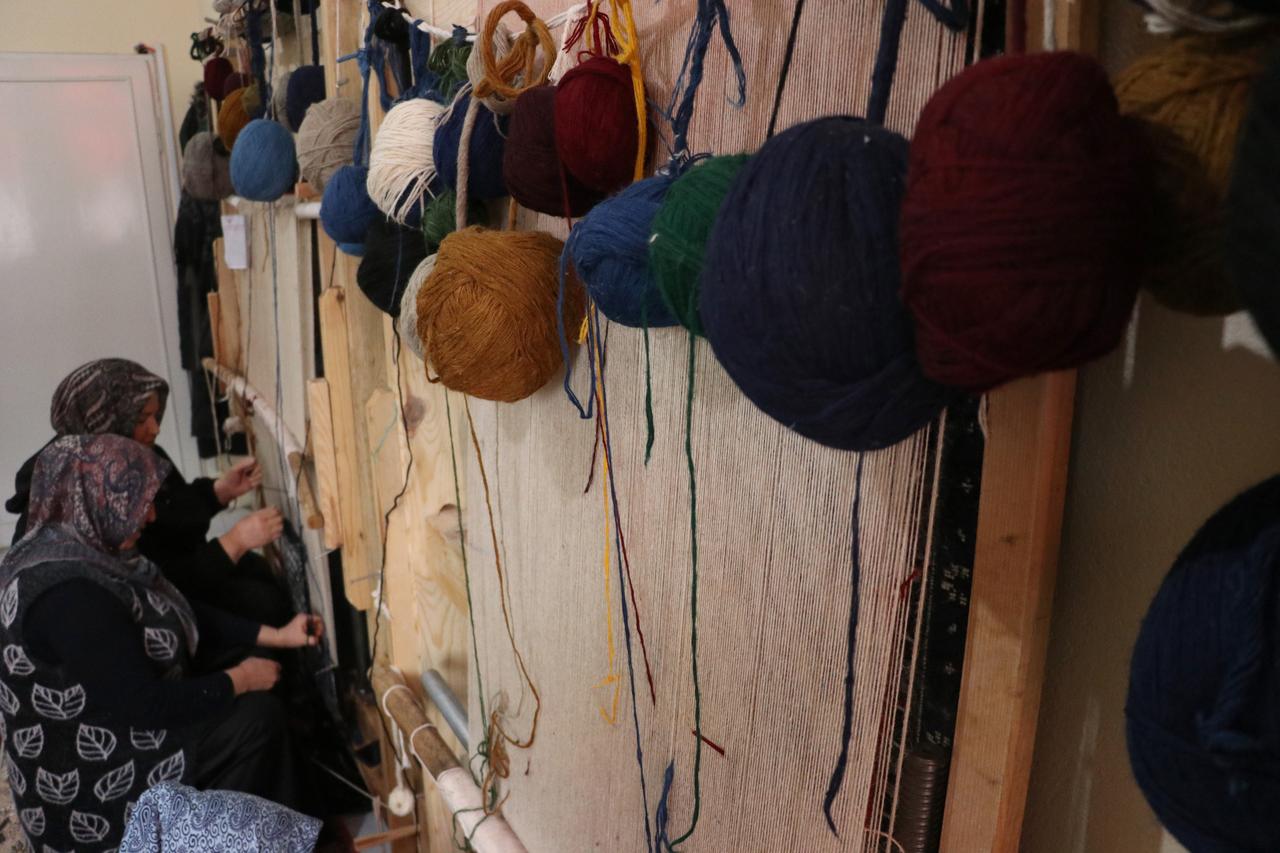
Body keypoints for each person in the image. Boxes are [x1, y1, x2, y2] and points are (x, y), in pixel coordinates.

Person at [0, 434, 323, 852]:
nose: (150, 515)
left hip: (113, 719)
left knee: (250, 675)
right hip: (90, 788)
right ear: (95, 499)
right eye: (138, 502)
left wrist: (277, 636)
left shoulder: (81, 549)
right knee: (256, 723)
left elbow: (170, 608)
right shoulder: (67, 595)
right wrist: (239, 680)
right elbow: (144, 706)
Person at [6, 358, 291, 626]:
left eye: (156, 415)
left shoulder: (137, 456)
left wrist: (217, 492)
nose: (155, 428)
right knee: (264, 604)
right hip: (142, 612)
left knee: (257, 572)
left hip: (176, 576)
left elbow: (170, 514)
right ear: (106, 421)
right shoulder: (86, 493)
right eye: (143, 418)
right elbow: (152, 580)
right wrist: (233, 543)